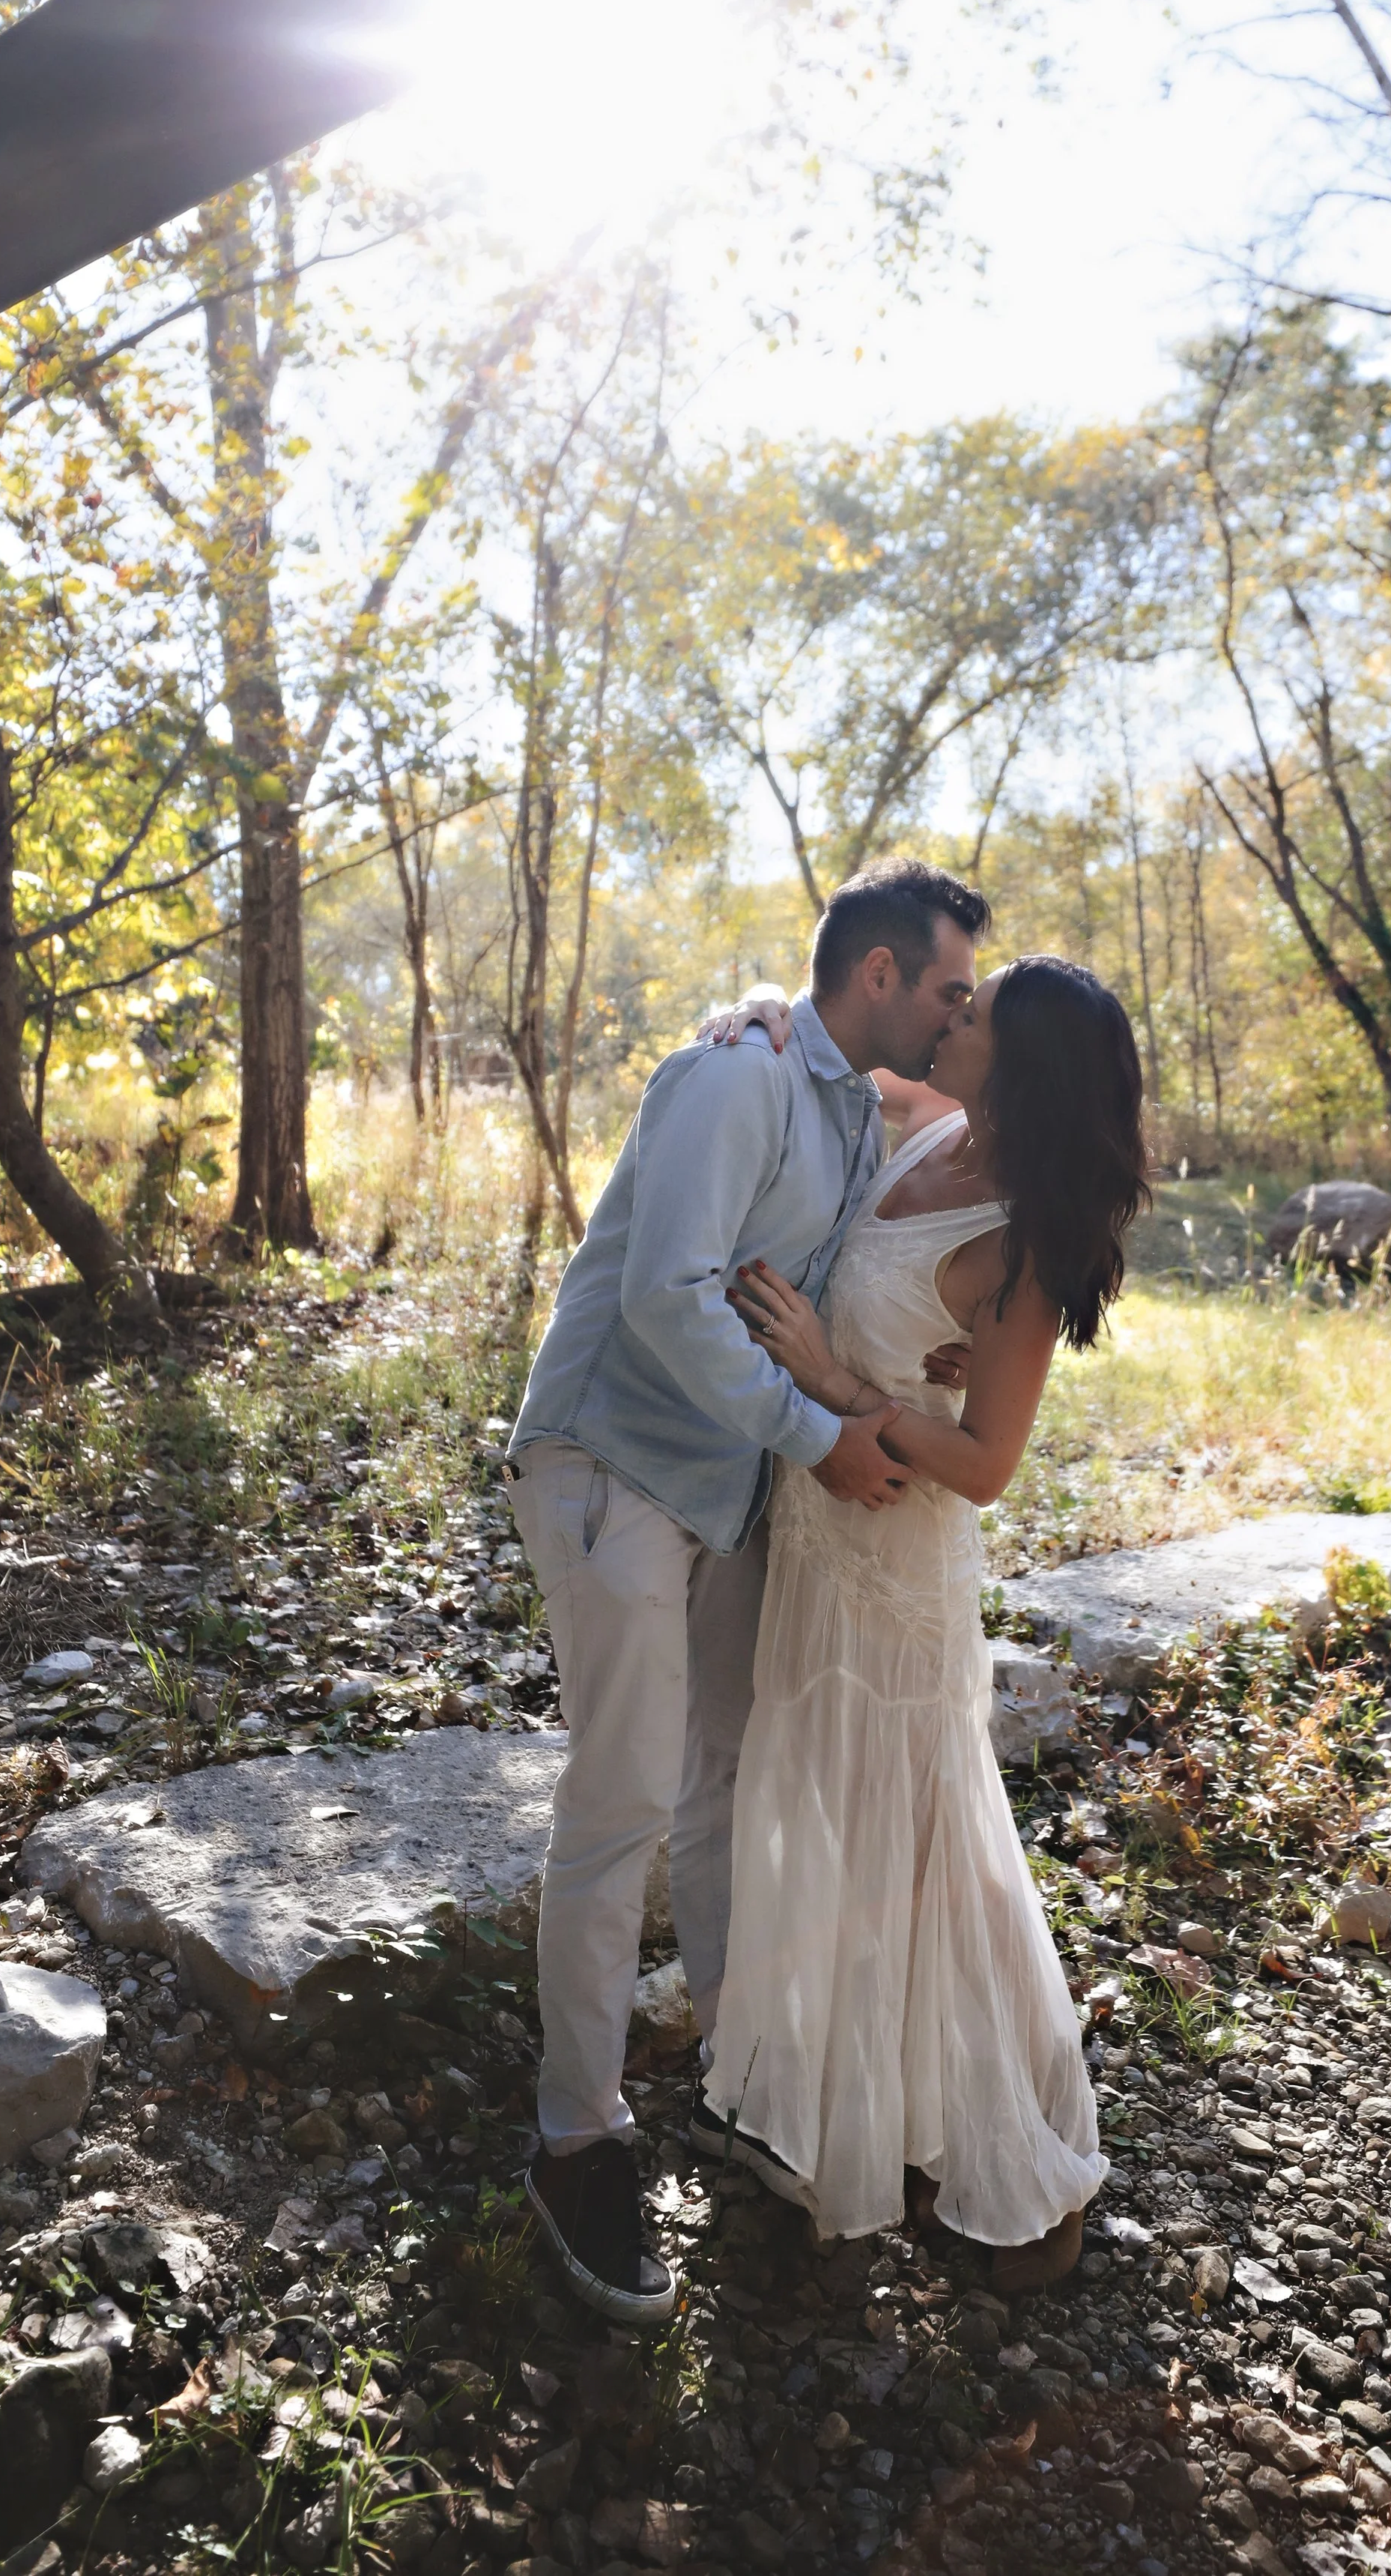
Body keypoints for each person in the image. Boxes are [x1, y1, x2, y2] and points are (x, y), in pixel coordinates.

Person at [503, 857, 992, 2323]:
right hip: (613, 1464)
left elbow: (851, 1269)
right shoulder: (734, 1082)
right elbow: (665, 1300)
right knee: (626, 1799)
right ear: (881, 975)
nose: (957, 1013)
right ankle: (572, 2135)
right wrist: (825, 1437)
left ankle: (735, 2083)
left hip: (728, 1489)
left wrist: (920, 1355)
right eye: (948, 988)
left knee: (724, 1782)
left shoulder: (844, 1098)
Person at [706, 955, 1148, 2291]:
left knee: (926, 1840)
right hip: (819, 1530)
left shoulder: (1021, 1243)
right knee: (829, 1820)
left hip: (898, 1558)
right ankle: (856, 2110)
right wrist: (758, 1010)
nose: (950, 1020)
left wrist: (844, 1382)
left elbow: (987, 1466)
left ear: (1019, 1072)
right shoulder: (935, 1120)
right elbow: (820, 1036)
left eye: (977, 1018)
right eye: (957, 1003)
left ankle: (1011, 2143)